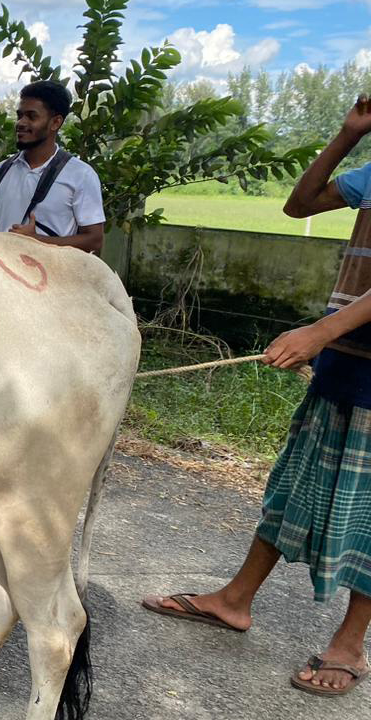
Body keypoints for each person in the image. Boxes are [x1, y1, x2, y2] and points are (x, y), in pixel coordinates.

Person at [142, 95, 371, 697]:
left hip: (346, 350)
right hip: (348, 361)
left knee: (368, 509)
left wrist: (319, 331)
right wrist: (348, 133)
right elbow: (299, 206)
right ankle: (235, 599)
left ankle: (351, 643)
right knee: (295, 482)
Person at [0, 80, 104, 253]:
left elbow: (94, 240)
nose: (20, 123)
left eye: (32, 116)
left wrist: (38, 240)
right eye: (20, 115)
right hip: (3, 278)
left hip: (53, 278)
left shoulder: (81, 175)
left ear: (55, 123)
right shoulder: (1, 171)